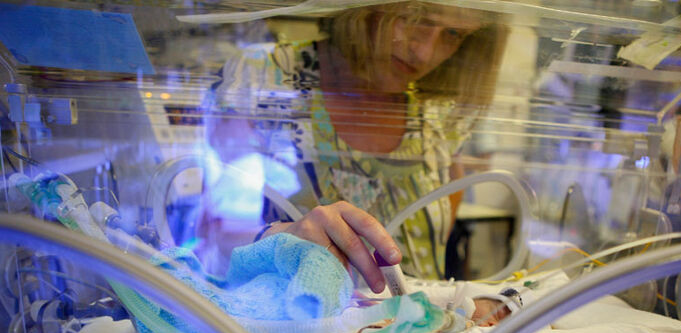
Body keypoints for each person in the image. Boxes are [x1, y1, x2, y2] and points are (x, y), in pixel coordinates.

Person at [200, 1, 508, 296]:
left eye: (453, 34)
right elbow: (209, 235)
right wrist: (285, 237)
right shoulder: (265, 76)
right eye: (415, 19)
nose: (424, 51)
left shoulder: (439, 109)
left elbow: (437, 246)